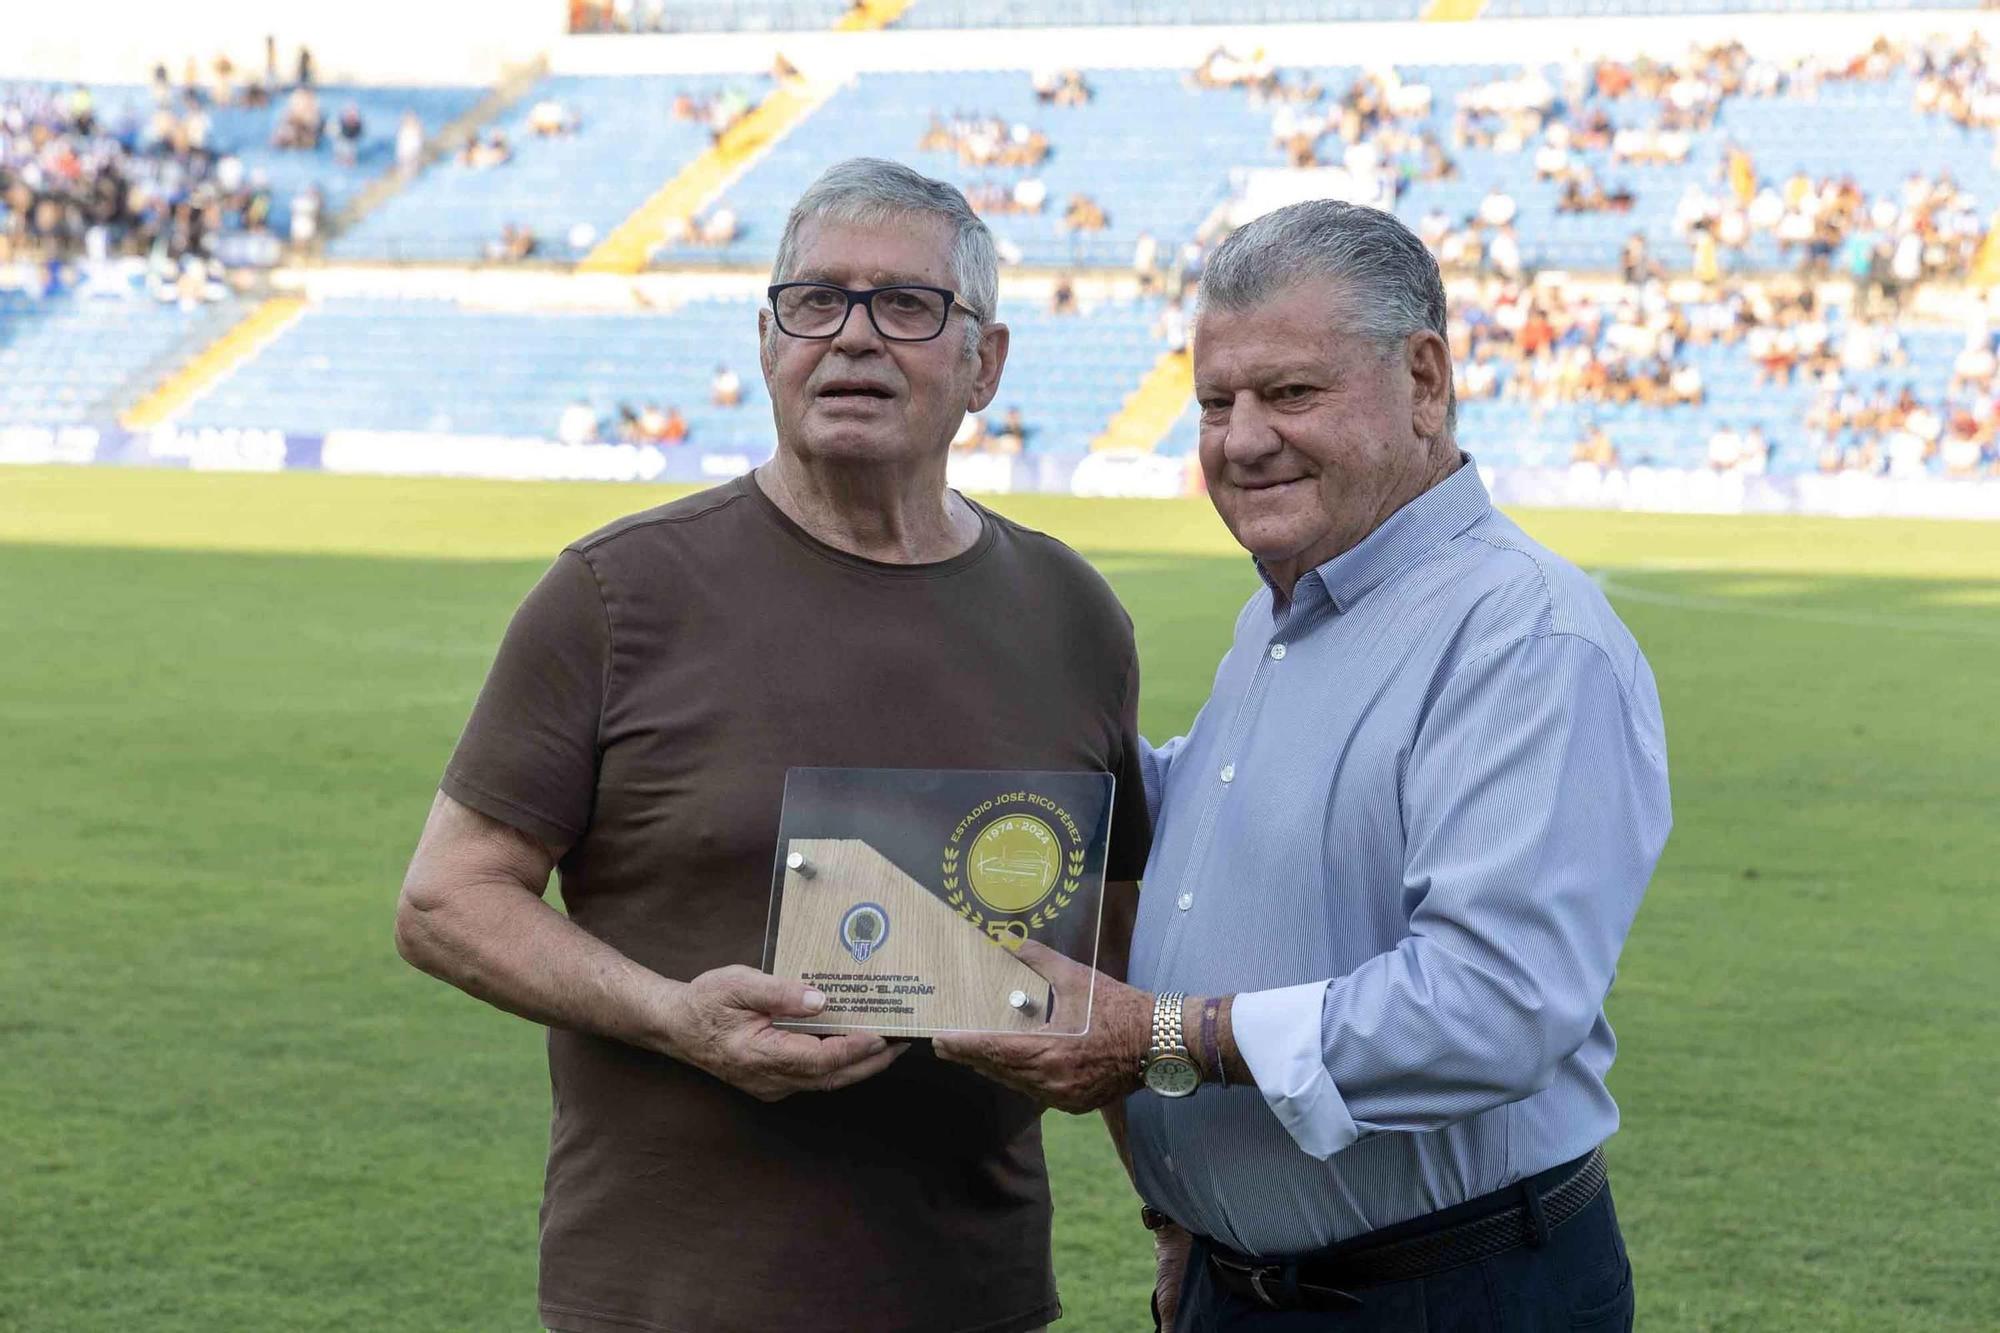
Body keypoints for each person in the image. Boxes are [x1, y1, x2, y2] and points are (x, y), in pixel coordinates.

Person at [394, 157, 1151, 1333]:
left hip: (972, 1295)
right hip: (668, 1300)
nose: (851, 336)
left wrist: (1169, 1206)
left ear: (983, 363)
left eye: (905, 305)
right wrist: (670, 1016)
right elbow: (445, 900)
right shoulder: (614, 593)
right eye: (814, 301)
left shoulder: (1071, 613)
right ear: (765, 342)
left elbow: (1110, 941)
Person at [935, 199, 1670, 1331]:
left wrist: (1157, 1034)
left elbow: (1493, 1005)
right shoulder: (1281, 616)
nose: (1239, 439)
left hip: (1445, 1293)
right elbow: (1219, 840)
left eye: (1288, 393)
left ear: (1423, 381)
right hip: (1238, 1283)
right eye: (1213, 403)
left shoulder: (1522, 638)